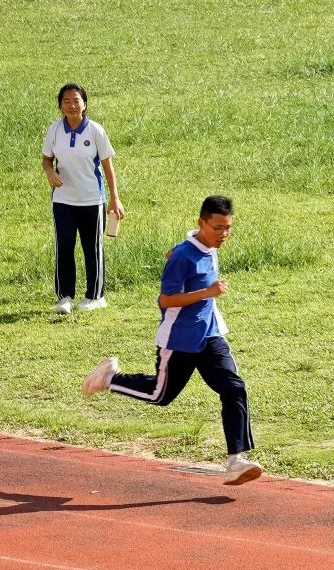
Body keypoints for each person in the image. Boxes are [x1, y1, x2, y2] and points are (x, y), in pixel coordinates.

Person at [81, 195, 263, 486]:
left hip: (210, 335)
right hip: (179, 340)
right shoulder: (183, 256)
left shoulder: (204, 246)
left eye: (227, 227)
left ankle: (236, 461)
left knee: (234, 388)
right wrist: (207, 292)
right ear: (201, 222)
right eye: (217, 228)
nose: (223, 234)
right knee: (160, 395)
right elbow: (165, 299)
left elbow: (186, 250)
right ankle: (110, 378)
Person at [41, 84, 124, 316]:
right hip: (63, 201)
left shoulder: (95, 130)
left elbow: (108, 166)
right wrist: (50, 173)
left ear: (84, 104)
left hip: (92, 200)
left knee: (92, 248)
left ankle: (96, 296)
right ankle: (65, 297)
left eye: (76, 100)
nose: (71, 105)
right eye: (66, 101)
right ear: (60, 105)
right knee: (64, 247)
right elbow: (47, 160)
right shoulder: (55, 130)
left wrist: (115, 199)